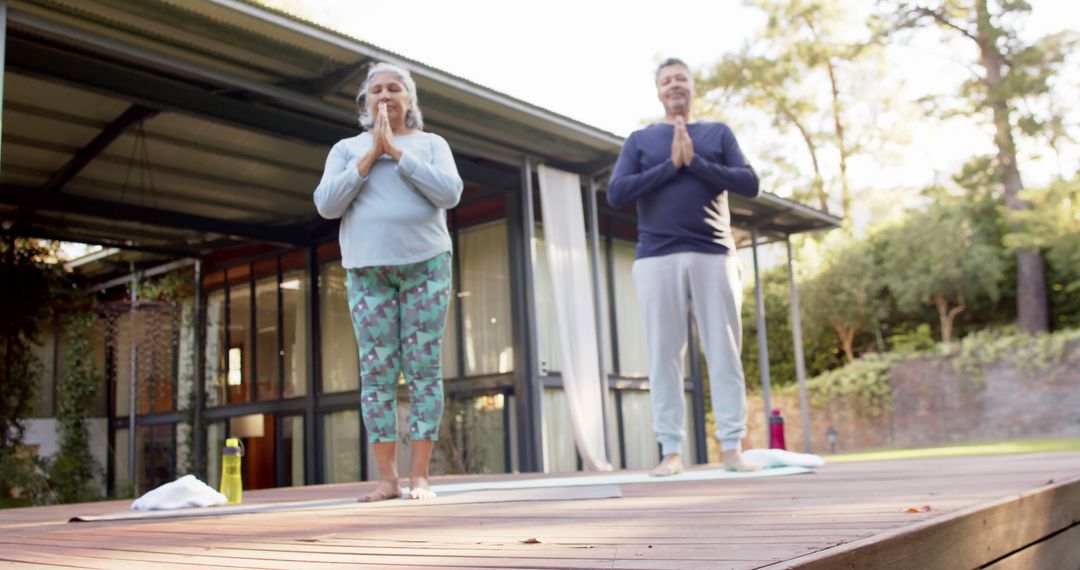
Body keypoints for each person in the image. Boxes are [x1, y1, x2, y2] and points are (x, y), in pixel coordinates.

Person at [314, 62, 463, 501]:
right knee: (376, 374)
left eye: (394, 88)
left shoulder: (431, 144)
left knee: (422, 370)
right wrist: (370, 155)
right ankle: (387, 480)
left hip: (427, 265)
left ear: (409, 99)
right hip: (368, 270)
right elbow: (326, 204)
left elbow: (450, 193)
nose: (385, 95)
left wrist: (397, 154)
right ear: (366, 101)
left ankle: (420, 477)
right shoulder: (346, 148)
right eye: (376, 89)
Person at [608, 58, 760, 476]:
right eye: (666, 80)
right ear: (658, 92)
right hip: (657, 256)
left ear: (693, 87)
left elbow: (750, 183)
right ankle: (670, 451)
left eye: (681, 79)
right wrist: (671, 165)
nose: (674, 85)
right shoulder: (641, 140)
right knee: (663, 355)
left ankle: (732, 446)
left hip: (714, 252)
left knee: (725, 351)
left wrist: (696, 163)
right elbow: (617, 192)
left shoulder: (718, 133)